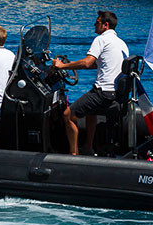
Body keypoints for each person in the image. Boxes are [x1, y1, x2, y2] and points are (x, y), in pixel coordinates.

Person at [53, 10, 129, 156]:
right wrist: (72, 65)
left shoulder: (101, 39)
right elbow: (99, 64)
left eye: (97, 22)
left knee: (67, 115)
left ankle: (73, 154)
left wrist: (62, 66)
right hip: (116, 94)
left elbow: (87, 63)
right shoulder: (121, 43)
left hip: (102, 92)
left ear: (105, 25)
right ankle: (88, 147)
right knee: (90, 112)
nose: (94, 25)